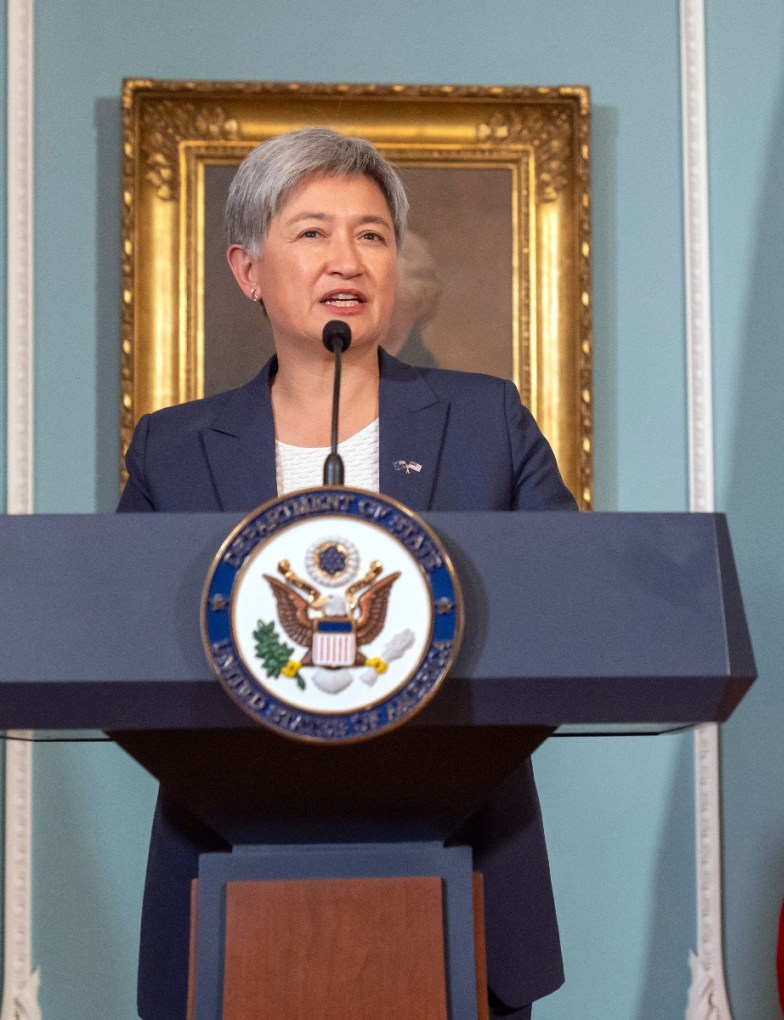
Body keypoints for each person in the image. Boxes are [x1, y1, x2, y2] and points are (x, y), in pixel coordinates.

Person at [118, 127, 571, 1019]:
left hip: (463, 845)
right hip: (228, 857)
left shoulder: (486, 421)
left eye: (372, 234)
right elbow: (124, 646)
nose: (347, 258)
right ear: (247, 270)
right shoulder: (175, 448)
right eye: (313, 231)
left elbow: (567, 607)